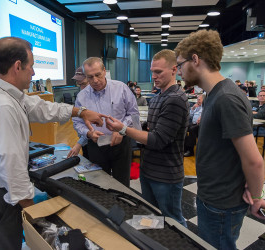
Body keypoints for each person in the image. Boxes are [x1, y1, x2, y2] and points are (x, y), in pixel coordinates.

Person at [0, 37, 105, 250]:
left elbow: (40, 108)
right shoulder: (2, 108)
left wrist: (80, 111)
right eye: (31, 66)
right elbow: (12, 169)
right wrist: (37, 216)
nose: (33, 72)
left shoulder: (6, 94)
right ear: (17, 66)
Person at [175, 29, 265, 250]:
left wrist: (256, 196)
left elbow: (254, 160)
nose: (178, 71)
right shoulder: (214, 94)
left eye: (180, 65)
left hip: (222, 202)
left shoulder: (226, 98)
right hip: (214, 195)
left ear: (195, 59)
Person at [106, 49, 189, 226]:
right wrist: (143, 128)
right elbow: (152, 130)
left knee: (173, 221)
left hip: (166, 174)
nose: (154, 76)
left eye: (158, 72)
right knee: (153, 218)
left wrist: (123, 129)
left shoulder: (175, 99)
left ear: (174, 70)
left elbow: (158, 139)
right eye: (152, 71)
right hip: (150, 169)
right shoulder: (159, 96)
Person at [73, 57, 139, 187]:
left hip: (121, 143)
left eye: (98, 75)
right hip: (96, 145)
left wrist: (122, 129)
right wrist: (88, 133)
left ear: (104, 71)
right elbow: (77, 123)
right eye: (90, 77)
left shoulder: (121, 88)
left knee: (122, 184)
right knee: (100, 183)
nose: (95, 80)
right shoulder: (81, 96)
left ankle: (122, 206)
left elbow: (134, 114)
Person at [68, 67, 90, 159]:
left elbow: (92, 126)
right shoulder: (80, 96)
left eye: (83, 84)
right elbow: (77, 120)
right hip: (85, 140)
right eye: (79, 84)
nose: (81, 88)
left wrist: (79, 143)